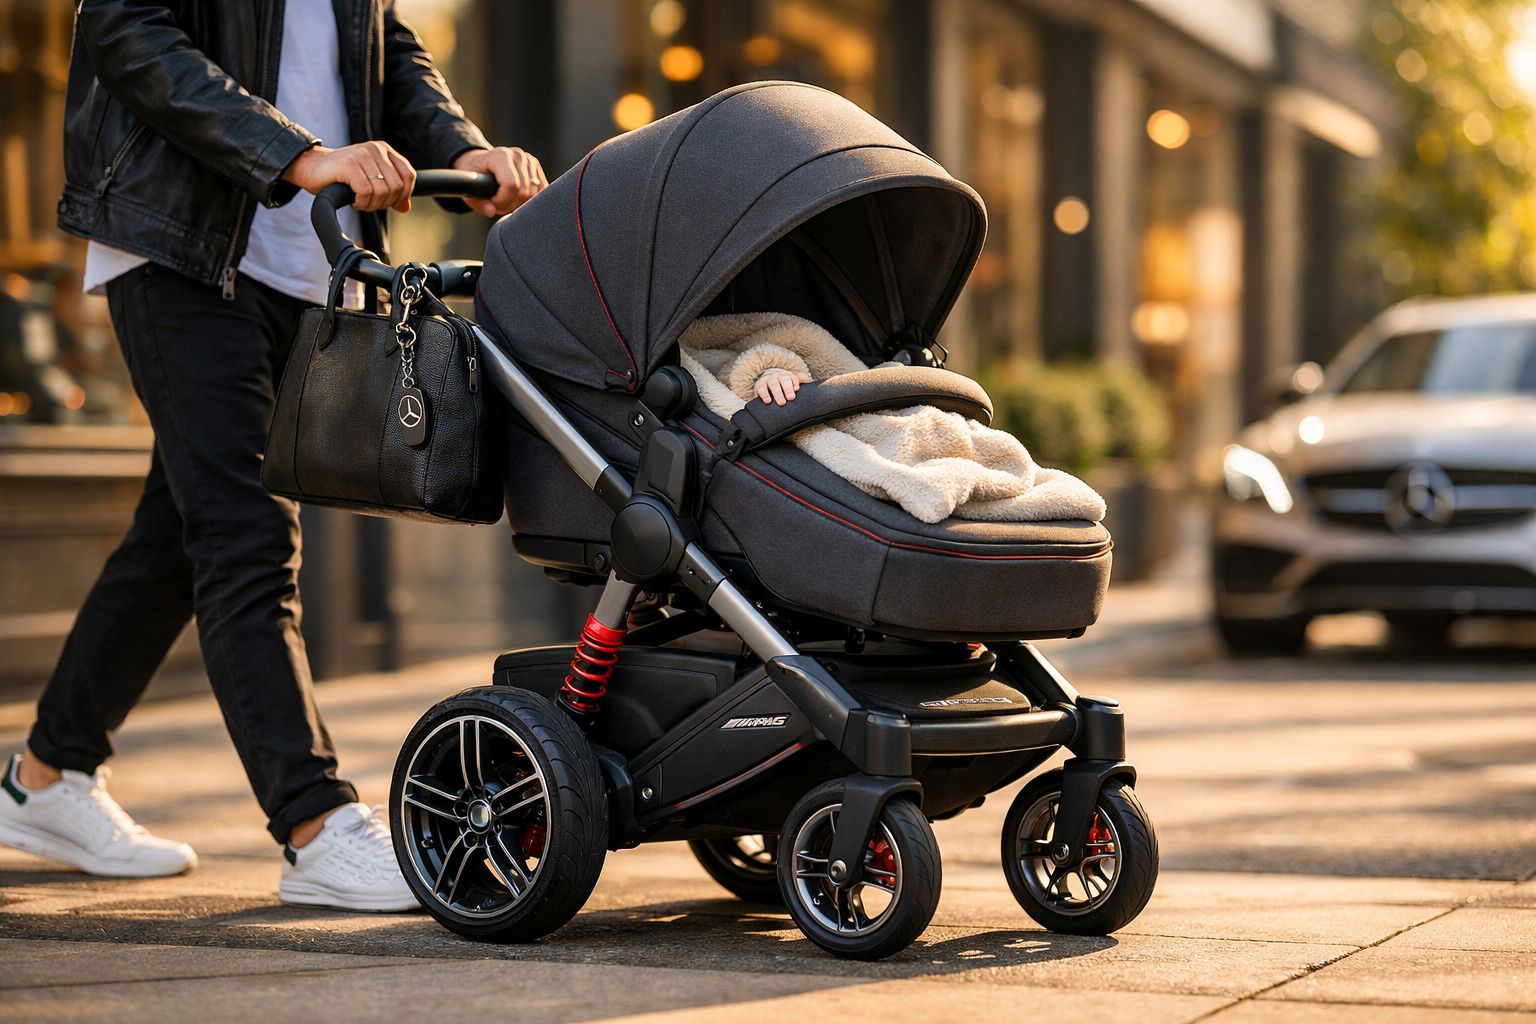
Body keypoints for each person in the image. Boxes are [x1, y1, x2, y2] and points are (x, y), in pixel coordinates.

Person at [0, 0, 545, 912]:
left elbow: (383, 48)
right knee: (247, 538)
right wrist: (298, 154)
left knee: (180, 534)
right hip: (182, 248)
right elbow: (126, 31)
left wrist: (463, 145)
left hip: (304, 259)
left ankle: (48, 778)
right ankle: (314, 822)